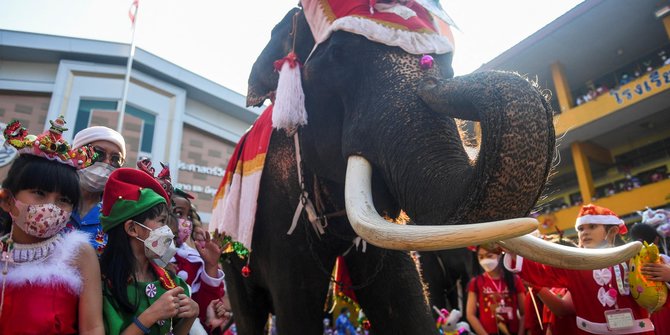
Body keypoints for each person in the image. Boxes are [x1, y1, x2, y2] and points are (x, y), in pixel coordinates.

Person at [0, 117, 104, 333]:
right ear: (7, 199)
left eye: (63, 200)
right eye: (39, 193)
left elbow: (92, 328)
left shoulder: (79, 254)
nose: (52, 207)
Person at [504, 204, 664, 334]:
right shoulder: (572, 264)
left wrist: (667, 274)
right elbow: (543, 270)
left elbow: (659, 291)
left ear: (612, 231)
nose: (585, 233)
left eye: (592, 226)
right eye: (580, 229)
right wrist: (512, 248)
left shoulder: (635, 258)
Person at [99, 168, 199, 334]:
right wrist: (152, 315)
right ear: (132, 228)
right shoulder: (103, 286)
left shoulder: (171, 283)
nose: (168, 230)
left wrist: (190, 316)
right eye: (161, 221)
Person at [171, 187, 227, 330]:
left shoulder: (192, 260)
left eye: (188, 216)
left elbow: (203, 311)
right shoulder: (146, 255)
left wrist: (211, 266)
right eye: (178, 213)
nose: (185, 222)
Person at [69, 125, 126, 254]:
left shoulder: (118, 214)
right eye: (98, 153)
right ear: (76, 153)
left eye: (115, 159)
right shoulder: (51, 198)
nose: (106, 163)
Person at [466, 243, 525, 335]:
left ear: (500, 254)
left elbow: (524, 313)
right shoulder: (476, 282)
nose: (485, 260)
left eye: (489, 256)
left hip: (513, 331)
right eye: (481, 257)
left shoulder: (514, 280)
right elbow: (470, 314)